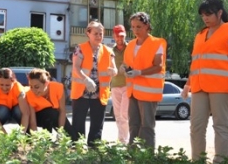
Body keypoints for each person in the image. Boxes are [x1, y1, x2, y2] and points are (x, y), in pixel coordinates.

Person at [181, 0, 228, 164]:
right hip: (198, 87)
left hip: (221, 87)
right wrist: (187, 85)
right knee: (196, 127)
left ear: (220, 12)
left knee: (220, 126)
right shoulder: (200, 35)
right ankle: (198, 163)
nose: (205, 18)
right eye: (203, 15)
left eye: (209, 14)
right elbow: (196, 62)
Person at [120, 12, 166, 149]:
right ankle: (133, 154)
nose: (135, 30)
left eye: (139, 27)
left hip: (149, 92)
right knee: (133, 124)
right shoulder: (131, 45)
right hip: (133, 91)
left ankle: (147, 157)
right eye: (133, 27)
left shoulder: (157, 43)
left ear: (147, 26)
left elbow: (158, 66)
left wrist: (139, 72)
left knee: (147, 126)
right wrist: (123, 68)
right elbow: (125, 63)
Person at [71, 21, 117, 147]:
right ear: (88, 33)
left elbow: (114, 69)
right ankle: (78, 148)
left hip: (100, 93)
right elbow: (76, 67)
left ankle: (94, 150)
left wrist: (114, 71)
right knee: (78, 123)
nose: (98, 36)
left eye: (101, 34)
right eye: (95, 33)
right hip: (82, 92)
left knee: (97, 124)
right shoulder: (80, 48)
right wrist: (86, 79)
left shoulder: (108, 50)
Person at [26, 68, 76, 140]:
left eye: (36, 87)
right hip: (39, 118)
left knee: (73, 138)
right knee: (49, 112)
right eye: (31, 86)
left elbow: (62, 111)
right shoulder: (29, 94)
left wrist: (60, 132)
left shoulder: (58, 87)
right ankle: (47, 139)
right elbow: (33, 121)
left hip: (55, 115)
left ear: (46, 83)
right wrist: (35, 137)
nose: (33, 90)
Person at [0, 68, 30, 133]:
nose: (4, 88)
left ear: (13, 82)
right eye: (1, 85)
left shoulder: (18, 88)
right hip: (3, 112)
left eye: (8, 85)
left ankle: (27, 131)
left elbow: (25, 113)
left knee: (18, 110)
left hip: (16, 110)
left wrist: (22, 134)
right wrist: (4, 135)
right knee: (2, 111)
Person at [110, 25, 130, 144]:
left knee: (124, 114)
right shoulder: (110, 50)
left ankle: (125, 140)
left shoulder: (130, 47)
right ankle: (121, 139)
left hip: (127, 85)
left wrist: (127, 67)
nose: (120, 39)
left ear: (125, 35)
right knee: (117, 115)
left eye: (122, 36)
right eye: (117, 36)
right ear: (114, 36)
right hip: (115, 85)